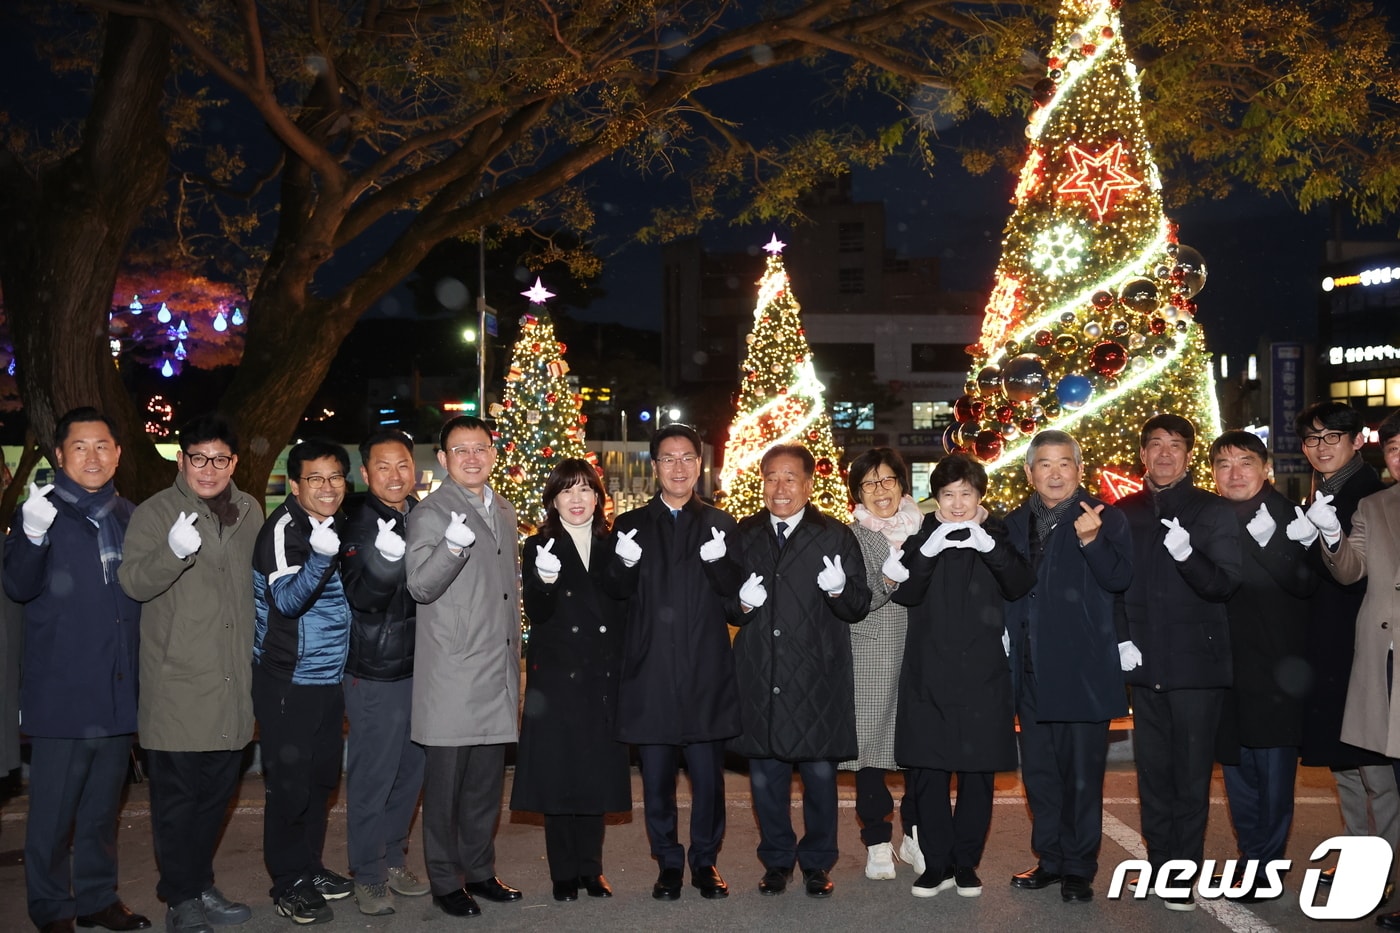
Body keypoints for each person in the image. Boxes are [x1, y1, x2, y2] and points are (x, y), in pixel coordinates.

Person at [4, 408, 150, 933]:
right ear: (60, 456)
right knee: (52, 815)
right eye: (80, 447)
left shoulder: (129, 516)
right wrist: (33, 535)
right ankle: (50, 907)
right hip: (62, 692)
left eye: (103, 445)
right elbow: (18, 585)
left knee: (100, 811)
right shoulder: (40, 515)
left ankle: (97, 899)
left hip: (115, 689)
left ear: (117, 453)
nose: (93, 456)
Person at [118, 413, 263, 933]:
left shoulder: (249, 511)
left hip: (232, 684)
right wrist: (172, 554)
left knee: (216, 799)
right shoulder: (156, 513)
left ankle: (198, 883)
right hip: (177, 684)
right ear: (181, 460)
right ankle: (181, 896)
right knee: (176, 803)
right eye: (198, 457)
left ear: (234, 462)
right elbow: (133, 581)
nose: (209, 469)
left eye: (220, 458)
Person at [601, 423, 743, 900]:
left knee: (708, 781)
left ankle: (705, 862)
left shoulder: (722, 525)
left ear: (700, 465)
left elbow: (733, 603)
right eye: (668, 458)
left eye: (687, 458)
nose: (678, 467)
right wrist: (620, 564)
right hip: (651, 674)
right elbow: (615, 596)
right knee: (657, 782)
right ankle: (667, 862)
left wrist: (723, 566)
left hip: (705, 673)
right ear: (655, 466)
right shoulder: (630, 525)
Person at [728, 443, 870, 898]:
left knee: (820, 779)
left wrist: (839, 590)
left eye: (791, 477)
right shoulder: (744, 533)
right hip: (760, 672)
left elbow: (856, 606)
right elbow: (725, 602)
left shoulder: (834, 535)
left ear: (809, 484)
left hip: (816, 676)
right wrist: (741, 603)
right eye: (771, 477)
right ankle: (776, 861)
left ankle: (816, 862)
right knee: (766, 777)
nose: (780, 487)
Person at [893, 454, 1034, 899]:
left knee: (978, 776)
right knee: (929, 774)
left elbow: (1019, 583)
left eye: (966, 494)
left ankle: (966, 863)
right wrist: (927, 554)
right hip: (928, 672)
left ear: (980, 496)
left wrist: (990, 548)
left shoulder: (998, 534)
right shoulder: (920, 536)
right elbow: (906, 593)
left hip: (982, 674)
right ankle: (936, 865)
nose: (957, 504)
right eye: (948, 495)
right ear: (935, 497)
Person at [1117, 413, 1241, 912]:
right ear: (1143, 455)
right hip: (1144, 666)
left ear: (1189, 455)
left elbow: (1224, 583)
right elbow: (1113, 586)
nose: (1164, 454)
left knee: (1190, 774)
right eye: (1155, 445)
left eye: (1175, 446)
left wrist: (1188, 554)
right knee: (1152, 773)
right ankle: (1159, 860)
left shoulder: (1212, 511)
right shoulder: (1123, 512)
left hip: (1197, 667)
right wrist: (1121, 640)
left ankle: (1182, 870)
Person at [1003, 430, 1133, 904]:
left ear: (1079, 470)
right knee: (1039, 773)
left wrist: (1094, 541)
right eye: (1044, 464)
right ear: (1028, 472)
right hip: (1030, 668)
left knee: (1081, 775)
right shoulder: (1013, 523)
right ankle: (1051, 859)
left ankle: (1080, 867)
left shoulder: (1104, 516)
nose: (1054, 473)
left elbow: (1121, 577)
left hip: (1082, 669)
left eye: (1064, 464)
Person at [406, 416, 523, 919]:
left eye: (480, 448)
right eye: (460, 450)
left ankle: (479, 870)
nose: (472, 458)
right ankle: (444, 880)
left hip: (495, 663)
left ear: (493, 453)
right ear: (443, 459)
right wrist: (452, 546)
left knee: (484, 786)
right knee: (446, 788)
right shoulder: (432, 512)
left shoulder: (503, 507)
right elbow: (420, 586)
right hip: (453, 670)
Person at [512, 459, 631, 902]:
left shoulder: (615, 543)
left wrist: (627, 568)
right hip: (558, 677)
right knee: (559, 774)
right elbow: (538, 615)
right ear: (553, 500)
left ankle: (591, 869)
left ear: (598, 497)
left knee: (594, 773)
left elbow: (623, 603)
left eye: (585, 490)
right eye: (566, 491)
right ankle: (563, 872)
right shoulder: (538, 545)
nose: (577, 499)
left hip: (602, 674)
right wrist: (543, 580)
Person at [1293, 401, 1396, 897]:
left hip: (1365, 645)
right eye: (1312, 439)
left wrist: (1316, 540)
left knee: (1373, 760)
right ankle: (1361, 851)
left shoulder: (1372, 495)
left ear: (1358, 442)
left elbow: (1358, 576)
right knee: (1344, 760)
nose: (1321, 447)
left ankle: (1384, 863)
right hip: (1330, 642)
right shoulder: (1324, 490)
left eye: (1333, 437)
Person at [251, 438, 355, 925]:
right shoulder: (284, 529)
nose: (327, 487)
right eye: (315, 478)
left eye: (335, 477)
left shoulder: (333, 524)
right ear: (295, 485)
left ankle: (309, 867)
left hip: (327, 679)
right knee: (289, 786)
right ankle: (287, 880)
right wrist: (319, 557)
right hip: (288, 681)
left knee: (320, 780)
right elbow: (287, 602)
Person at [1208, 430, 1316, 900]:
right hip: (1225, 671)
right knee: (1239, 775)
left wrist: (1276, 544)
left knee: (1272, 780)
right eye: (1224, 464)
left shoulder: (1290, 516)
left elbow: (1307, 584)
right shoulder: (1208, 517)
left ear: (1266, 467)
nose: (1234, 473)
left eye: (1245, 462)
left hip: (1277, 672)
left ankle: (1265, 869)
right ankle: (1253, 859)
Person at [338, 428, 430, 915]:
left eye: (402, 465)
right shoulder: (356, 521)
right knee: (373, 776)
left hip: (422, 668)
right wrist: (385, 563)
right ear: (366, 472)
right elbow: (363, 598)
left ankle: (393, 856)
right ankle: (368, 873)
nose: (395, 475)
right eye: (383, 467)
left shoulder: (420, 513)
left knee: (410, 772)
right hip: (375, 669)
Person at [839, 448, 922, 880]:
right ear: (857, 493)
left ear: (902, 485)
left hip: (921, 651)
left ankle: (915, 836)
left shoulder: (926, 530)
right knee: (870, 752)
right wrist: (888, 579)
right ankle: (876, 840)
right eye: (869, 484)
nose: (880, 490)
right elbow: (857, 599)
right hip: (869, 651)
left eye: (887, 480)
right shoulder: (850, 536)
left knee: (918, 751)